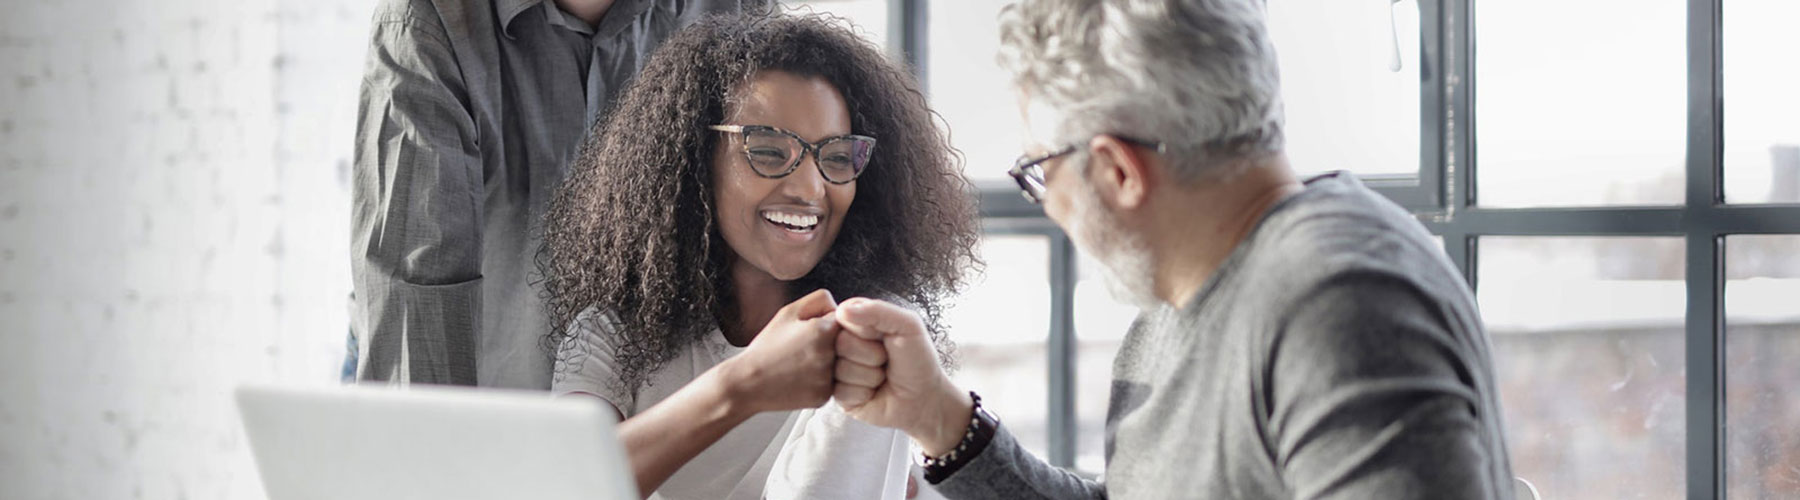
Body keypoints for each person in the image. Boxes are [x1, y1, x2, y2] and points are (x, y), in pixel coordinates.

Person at [829, 0, 1517, 498]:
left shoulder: (1337, 305)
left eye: (1039, 171)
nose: (1047, 200)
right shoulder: (1188, 294)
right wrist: (940, 417)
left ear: (1117, 171)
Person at [537, 13, 980, 499]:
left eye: (836, 158)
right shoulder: (610, 334)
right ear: (693, 160)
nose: (811, 189)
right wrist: (743, 386)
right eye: (768, 152)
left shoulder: (872, 336)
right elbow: (561, 487)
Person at [350, 0, 765, 388]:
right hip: (484, 390)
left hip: (658, 413)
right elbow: (416, 301)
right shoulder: (429, 19)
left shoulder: (736, 9)